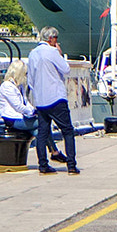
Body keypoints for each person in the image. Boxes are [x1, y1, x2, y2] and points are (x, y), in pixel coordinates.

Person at [28, 27, 78, 174]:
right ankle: (71, 165)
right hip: (56, 97)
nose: (57, 41)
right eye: (56, 38)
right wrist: (60, 54)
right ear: (50, 39)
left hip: (41, 100)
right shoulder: (52, 52)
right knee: (67, 130)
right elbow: (66, 69)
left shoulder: (33, 54)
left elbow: (30, 79)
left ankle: (43, 165)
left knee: (42, 133)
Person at [0, 61, 35, 135]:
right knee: (43, 124)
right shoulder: (7, 86)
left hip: (21, 117)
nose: (26, 76)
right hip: (12, 119)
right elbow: (18, 106)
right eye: (25, 73)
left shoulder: (20, 86)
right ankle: (49, 146)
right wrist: (32, 112)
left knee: (38, 130)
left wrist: (32, 110)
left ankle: (45, 146)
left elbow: (26, 102)